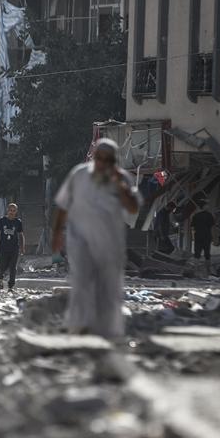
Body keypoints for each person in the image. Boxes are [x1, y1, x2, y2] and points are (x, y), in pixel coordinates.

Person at [50, 138, 142, 338]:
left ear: (113, 161)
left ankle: (106, 331)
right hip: (80, 240)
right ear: (94, 157)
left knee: (108, 287)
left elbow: (133, 208)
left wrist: (119, 185)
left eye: (107, 160)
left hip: (110, 244)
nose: (102, 163)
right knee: (82, 282)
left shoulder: (123, 179)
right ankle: (79, 327)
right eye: (99, 158)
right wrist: (57, 233)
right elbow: (63, 205)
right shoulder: (79, 174)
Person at [0, 202, 25, 291]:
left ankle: (11, 285)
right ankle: (0, 280)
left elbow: (21, 235)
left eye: (14, 211)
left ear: (16, 212)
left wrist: (22, 247)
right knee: (2, 266)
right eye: (10, 210)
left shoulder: (18, 222)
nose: (12, 212)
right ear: (7, 210)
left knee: (13, 267)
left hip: (14, 248)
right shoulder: (2, 221)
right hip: (3, 248)